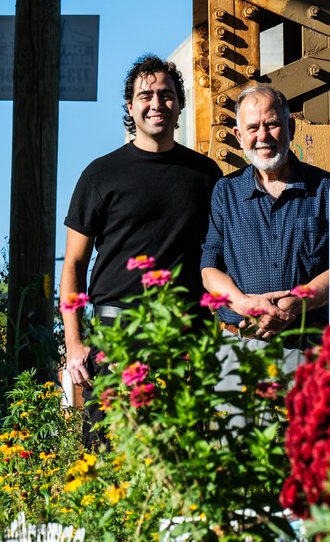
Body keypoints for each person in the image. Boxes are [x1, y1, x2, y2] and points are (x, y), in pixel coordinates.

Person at [60, 53, 223, 397]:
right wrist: (74, 343)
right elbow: (74, 264)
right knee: (111, 445)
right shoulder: (99, 175)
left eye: (166, 95)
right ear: (130, 107)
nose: (157, 104)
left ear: (179, 105)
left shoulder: (206, 174)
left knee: (186, 444)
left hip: (187, 330)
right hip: (118, 331)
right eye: (145, 96)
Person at [200, 85, 330, 345]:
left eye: (272, 124)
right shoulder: (225, 192)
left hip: (309, 347)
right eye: (252, 128)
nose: (263, 136)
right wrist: (247, 305)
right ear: (239, 136)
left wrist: (291, 305)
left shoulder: (327, 188)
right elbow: (209, 269)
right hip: (239, 344)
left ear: (291, 128)